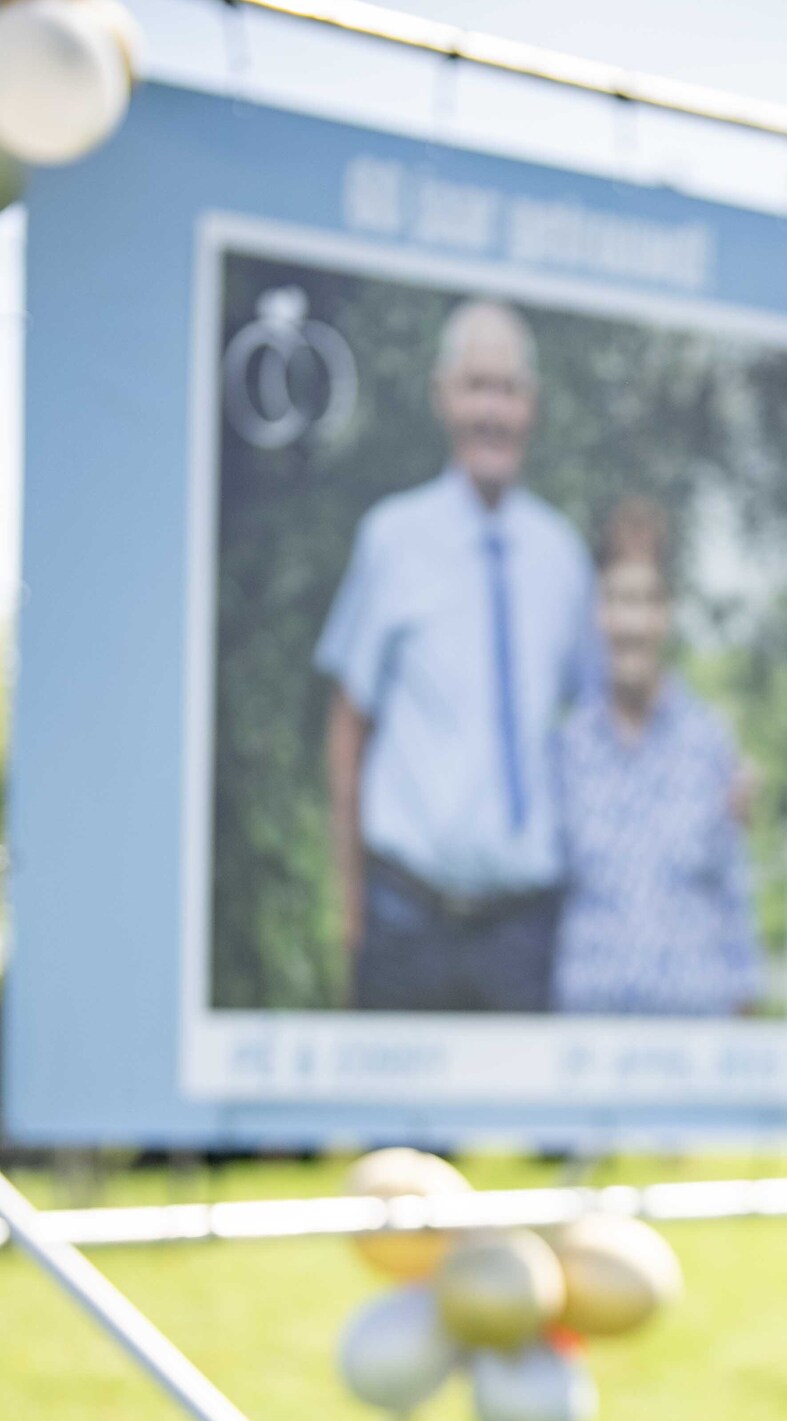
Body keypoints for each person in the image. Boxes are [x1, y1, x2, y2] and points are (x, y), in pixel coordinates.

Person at [314, 297, 600, 1012]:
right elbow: (348, 725)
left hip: (525, 927)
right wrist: (349, 905)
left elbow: (598, 730)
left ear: (531, 405)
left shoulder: (562, 556)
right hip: (405, 916)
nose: (491, 412)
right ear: (443, 398)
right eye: (476, 387)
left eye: (507, 389)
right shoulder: (392, 538)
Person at [552, 496, 766, 1017]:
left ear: (666, 614)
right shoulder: (565, 749)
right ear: (598, 613)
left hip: (695, 1034)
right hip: (588, 1037)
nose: (632, 623)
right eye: (618, 600)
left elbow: (734, 896)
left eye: (647, 601)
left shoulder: (710, 743)